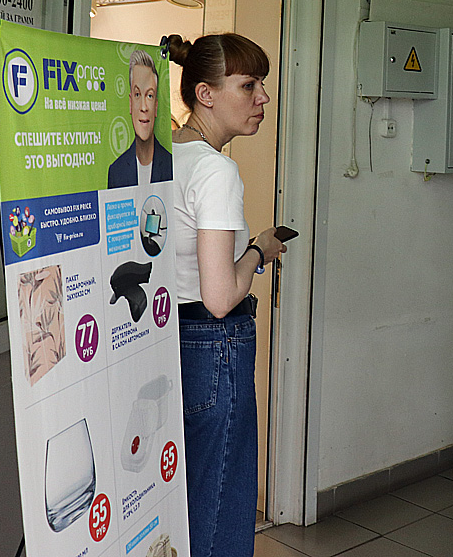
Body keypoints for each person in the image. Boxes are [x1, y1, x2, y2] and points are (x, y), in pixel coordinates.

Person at [167, 32, 285, 557]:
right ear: (205, 94)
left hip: (169, 335)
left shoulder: (165, 151)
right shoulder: (217, 170)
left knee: (185, 490)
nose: (262, 98)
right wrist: (260, 250)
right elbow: (220, 295)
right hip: (214, 343)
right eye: (248, 85)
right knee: (221, 495)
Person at [107, 49, 173, 188]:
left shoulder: (172, 164)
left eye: (149, 95)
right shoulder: (116, 171)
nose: (144, 107)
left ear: (156, 106)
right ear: (130, 103)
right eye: (137, 94)